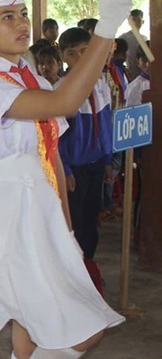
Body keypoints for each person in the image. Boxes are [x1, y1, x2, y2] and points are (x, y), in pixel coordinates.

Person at [0, 0, 129, 359]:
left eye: (22, 14)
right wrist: (106, 27)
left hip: (38, 207)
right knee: (86, 327)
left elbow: (49, 155)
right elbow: (64, 104)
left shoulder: (26, 72)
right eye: (7, 17)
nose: (21, 23)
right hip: (8, 212)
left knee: (29, 324)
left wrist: (65, 226)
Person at [57, 27, 114, 261]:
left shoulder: (101, 85)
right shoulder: (60, 90)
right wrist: (66, 170)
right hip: (74, 168)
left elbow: (106, 126)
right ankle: (74, 266)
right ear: (62, 56)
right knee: (75, 220)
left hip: (96, 163)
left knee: (92, 216)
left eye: (84, 52)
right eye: (72, 54)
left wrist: (108, 160)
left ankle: (89, 263)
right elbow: (56, 139)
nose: (80, 59)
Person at [119, 9, 147, 79]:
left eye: (138, 20)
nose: (136, 22)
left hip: (143, 73)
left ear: (143, 22)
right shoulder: (124, 37)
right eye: (133, 20)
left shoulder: (145, 38)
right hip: (130, 73)